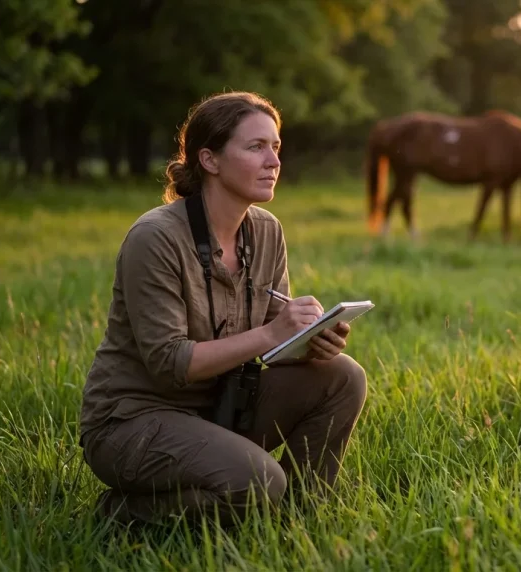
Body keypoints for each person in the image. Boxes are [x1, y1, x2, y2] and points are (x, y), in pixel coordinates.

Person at [78, 91, 368, 527]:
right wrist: (272, 335)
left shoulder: (267, 231)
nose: (273, 161)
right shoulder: (155, 238)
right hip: (132, 423)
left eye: (276, 148)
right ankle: (120, 512)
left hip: (222, 407)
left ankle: (296, 523)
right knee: (260, 481)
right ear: (209, 160)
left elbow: (274, 342)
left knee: (343, 375)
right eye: (255, 147)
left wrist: (311, 341)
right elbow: (168, 362)